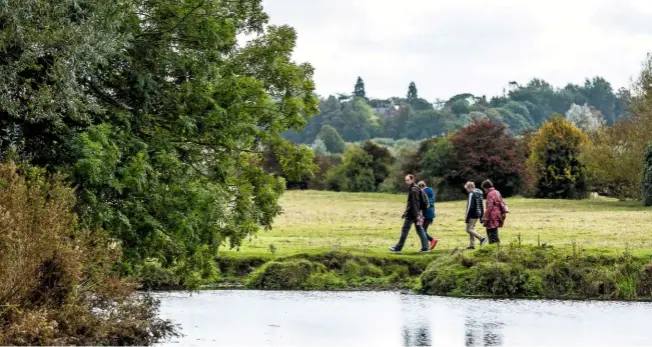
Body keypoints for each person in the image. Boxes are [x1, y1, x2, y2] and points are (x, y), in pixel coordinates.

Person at [390, 175, 431, 253]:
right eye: (406, 180)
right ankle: (425, 247)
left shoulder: (413, 190)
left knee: (405, 229)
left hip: (412, 214)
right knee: (420, 230)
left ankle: (398, 248)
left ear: (412, 180)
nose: (406, 182)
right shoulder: (416, 188)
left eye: (408, 180)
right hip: (416, 213)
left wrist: (408, 213)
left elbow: (414, 204)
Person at [481, 179, 505, 244]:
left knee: (491, 232)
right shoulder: (497, 192)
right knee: (495, 231)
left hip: (492, 216)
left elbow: (489, 207)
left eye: (484, 188)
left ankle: (493, 247)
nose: (484, 190)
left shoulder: (490, 194)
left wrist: (484, 217)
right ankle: (497, 247)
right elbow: (501, 202)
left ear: (486, 187)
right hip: (498, 214)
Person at [464, 182, 487, 249]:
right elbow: (481, 205)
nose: (466, 190)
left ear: (470, 187)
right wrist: (481, 215)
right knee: (472, 228)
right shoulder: (479, 193)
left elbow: (469, 206)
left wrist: (467, 216)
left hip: (472, 214)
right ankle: (472, 245)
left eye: (467, 188)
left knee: (468, 229)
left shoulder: (471, 194)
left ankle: (481, 238)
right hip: (478, 213)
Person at [418, 181, 438, 250]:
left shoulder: (424, 193)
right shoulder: (430, 192)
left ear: (421, 187)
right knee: (423, 230)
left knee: (422, 230)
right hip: (430, 214)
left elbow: (425, 205)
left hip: (426, 214)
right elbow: (432, 205)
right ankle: (426, 245)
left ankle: (432, 240)